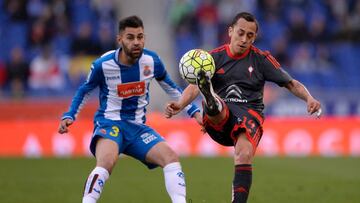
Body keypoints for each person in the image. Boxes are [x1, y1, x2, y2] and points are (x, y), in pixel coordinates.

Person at [165, 12, 321, 203]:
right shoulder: (213, 58)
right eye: (241, 33)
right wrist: (180, 104)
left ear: (254, 37)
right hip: (222, 118)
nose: (244, 39)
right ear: (230, 31)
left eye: (250, 36)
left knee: (244, 153)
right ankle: (211, 100)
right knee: (217, 107)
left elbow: (290, 83)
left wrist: (309, 98)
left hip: (250, 114)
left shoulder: (261, 60)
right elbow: (192, 87)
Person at [58, 15, 201, 203]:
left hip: (137, 128)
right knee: (107, 162)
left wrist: (194, 111)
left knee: (171, 157)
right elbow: (84, 90)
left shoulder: (152, 61)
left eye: (140, 37)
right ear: (120, 40)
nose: (136, 42)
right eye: (130, 37)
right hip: (110, 123)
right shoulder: (103, 64)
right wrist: (70, 114)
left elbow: (171, 87)